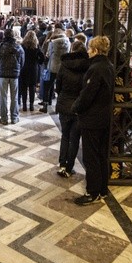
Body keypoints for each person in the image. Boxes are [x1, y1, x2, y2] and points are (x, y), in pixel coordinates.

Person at [71, 35, 114, 205]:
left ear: (95, 50)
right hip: (103, 117)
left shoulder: (96, 68)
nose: (88, 52)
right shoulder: (108, 65)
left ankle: (93, 192)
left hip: (93, 119)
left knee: (91, 157)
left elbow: (87, 95)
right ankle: (102, 189)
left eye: (90, 49)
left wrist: (75, 108)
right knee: (101, 154)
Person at [55, 40, 89, 177]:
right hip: (78, 107)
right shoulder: (87, 66)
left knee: (65, 136)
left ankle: (62, 165)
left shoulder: (64, 65)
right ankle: (69, 168)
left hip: (64, 104)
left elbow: (58, 86)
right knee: (74, 138)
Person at [0, 28, 24, 125]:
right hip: (14, 74)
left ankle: (4, 119)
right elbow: (22, 61)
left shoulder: (0, 47)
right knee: (14, 97)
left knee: (3, 97)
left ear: (4, 36)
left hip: (2, 74)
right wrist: (18, 69)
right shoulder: (18, 47)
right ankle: (14, 118)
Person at [40, 27, 69, 113]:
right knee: (60, 88)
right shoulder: (67, 42)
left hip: (52, 66)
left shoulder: (52, 43)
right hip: (63, 67)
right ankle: (58, 107)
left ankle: (45, 105)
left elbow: (48, 54)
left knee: (47, 86)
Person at [19, 30, 44, 112]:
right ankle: (31, 105)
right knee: (32, 87)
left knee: (24, 87)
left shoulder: (22, 45)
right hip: (33, 68)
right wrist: (38, 62)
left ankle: (24, 105)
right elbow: (42, 57)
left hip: (24, 67)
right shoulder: (36, 46)